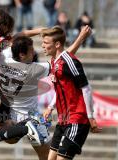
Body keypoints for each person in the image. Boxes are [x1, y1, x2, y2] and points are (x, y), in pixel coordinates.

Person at [0, 25, 93, 159]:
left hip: (10, 117)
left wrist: (37, 32)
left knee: (9, 139)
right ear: (22, 54)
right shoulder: (35, 69)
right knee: (46, 156)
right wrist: (80, 38)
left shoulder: (4, 57)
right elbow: (63, 59)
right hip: (31, 118)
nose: (35, 53)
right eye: (32, 51)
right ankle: (27, 128)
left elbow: (16, 37)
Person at [0, 9, 44, 146]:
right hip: (0, 90)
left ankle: (27, 127)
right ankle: (27, 123)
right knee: (10, 138)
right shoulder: (4, 40)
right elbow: (23, 34)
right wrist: (42, 30)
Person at [41, 26, 102, 160]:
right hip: (63, 120)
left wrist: (90, 116)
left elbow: (86, 88)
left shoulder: (70, 62)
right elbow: (61, 88)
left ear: (57, 44)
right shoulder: (54, 62)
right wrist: (51, 107)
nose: (42, 46)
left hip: (77, 119)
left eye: (46, 43)